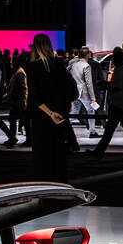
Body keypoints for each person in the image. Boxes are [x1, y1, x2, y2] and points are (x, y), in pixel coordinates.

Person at [24, 33, 75, 179]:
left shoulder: (33, 67)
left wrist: (50, 113)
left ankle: (45, 189)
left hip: (42, 117)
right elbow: (69, 90)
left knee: (42, 157)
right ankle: (61, 187)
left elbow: (35, 96)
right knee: (58, 156)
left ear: (35, 47)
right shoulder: (59, 64)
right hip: (60, 116)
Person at [91, 47, 123, 159]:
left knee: (109, 131)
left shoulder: (119, 70)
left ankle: (99, 152)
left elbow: (116, 87)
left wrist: (105, 85)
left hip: (117, 104)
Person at [68, 48, 99, 136]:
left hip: (75, 92)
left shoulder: (74, 65)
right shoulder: (86, 66)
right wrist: (93, 97)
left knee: (74, 112)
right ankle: (92, 132)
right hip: (84, 92)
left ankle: (61, 126)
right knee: (91, 111)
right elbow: (89, 83)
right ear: (87, 55)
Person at [5, 53, 28, 147]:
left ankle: (12, 138)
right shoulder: (17, 72)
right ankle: (12, 138)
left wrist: (23, 100)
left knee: (14, 119)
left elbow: (24, 88)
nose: (10, 63)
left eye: (11, 61)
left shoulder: (20, 73)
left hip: (18, 101)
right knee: (15, 120)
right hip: (16, 100)